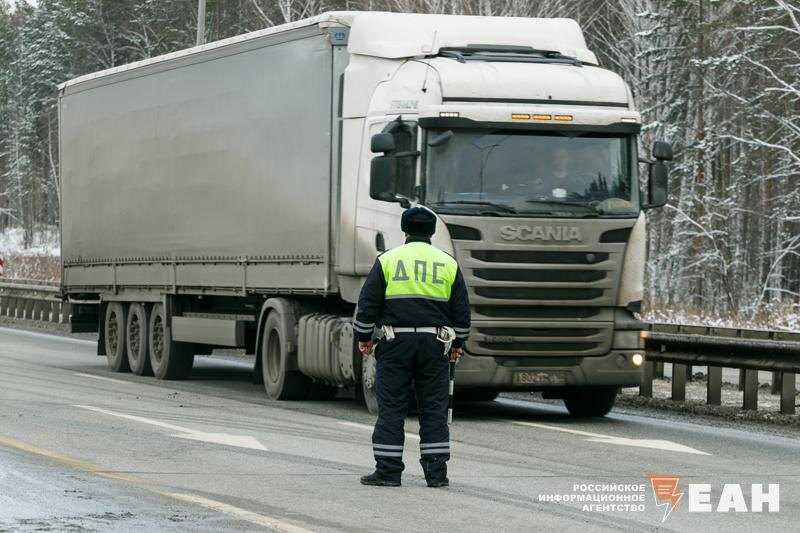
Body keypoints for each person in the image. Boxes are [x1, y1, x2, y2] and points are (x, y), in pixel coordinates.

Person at [354, 207, 470, 488]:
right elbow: (461, 311)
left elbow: (368, 304)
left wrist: (364, 337)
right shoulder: (448, 263)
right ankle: (436, 474)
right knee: (434, 410)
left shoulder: (388, 260)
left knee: (392, 409)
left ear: (404, 231)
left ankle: (388, 472)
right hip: (435, 344)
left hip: (395, 343)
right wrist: (457, 343)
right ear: (432, 232)